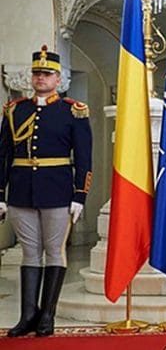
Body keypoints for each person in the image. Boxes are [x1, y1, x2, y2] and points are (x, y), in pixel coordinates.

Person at [0, 46, 92, 337]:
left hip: (57, 191)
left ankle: (47, 316)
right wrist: (0, 193)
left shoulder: (73, 112)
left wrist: (79, 195)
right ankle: (28, 315)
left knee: (53, 251)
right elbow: (3, 155)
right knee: (30, 252)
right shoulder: (16, 111)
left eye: (47, 74)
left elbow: (85, 156)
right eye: (37, 73)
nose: (41, 78)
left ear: (58, 78)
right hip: (21, 192)